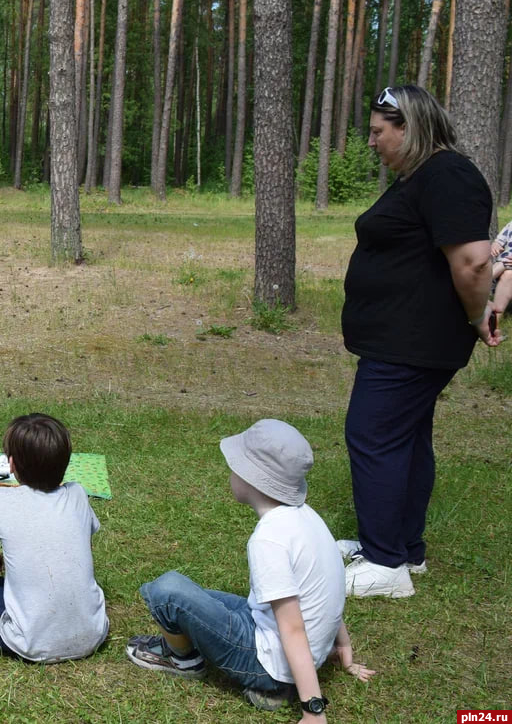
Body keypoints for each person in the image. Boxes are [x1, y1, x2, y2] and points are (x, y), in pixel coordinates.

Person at [340, 84, 501, 598]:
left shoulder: (448, 174)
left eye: (378, 132)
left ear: (408, 128)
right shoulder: (422, 177)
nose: (371, 143)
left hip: (413, 341)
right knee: (405, 437)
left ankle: (386, 565)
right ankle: (402, 547)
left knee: (373, 434)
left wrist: (479, 315)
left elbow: (474, 260)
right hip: (402, 337)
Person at [126, 419, 374, 719]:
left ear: (251, 479)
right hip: (292, 645)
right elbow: (326, 589)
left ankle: (184, 660)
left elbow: (292, 628)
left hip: (267, 662)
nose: (230, 473)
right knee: (198, 596)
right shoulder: (308, 518)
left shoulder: (269, 539)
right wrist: (342, 646)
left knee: (166, 591)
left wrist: (313, 708)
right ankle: (276, 685)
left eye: (234, 466)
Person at [0, 414, 108, 663]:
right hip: (94, 633)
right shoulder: (77, 493)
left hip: (30, 643)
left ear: (11, 464)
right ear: (66, 462)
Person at [488, 218, 512, 315]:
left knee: (505, 267)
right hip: (505, 268)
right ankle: (494, 319)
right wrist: (495, 246)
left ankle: (473, 286)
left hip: (503, 264)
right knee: (508, 274)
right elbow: (498, 241)